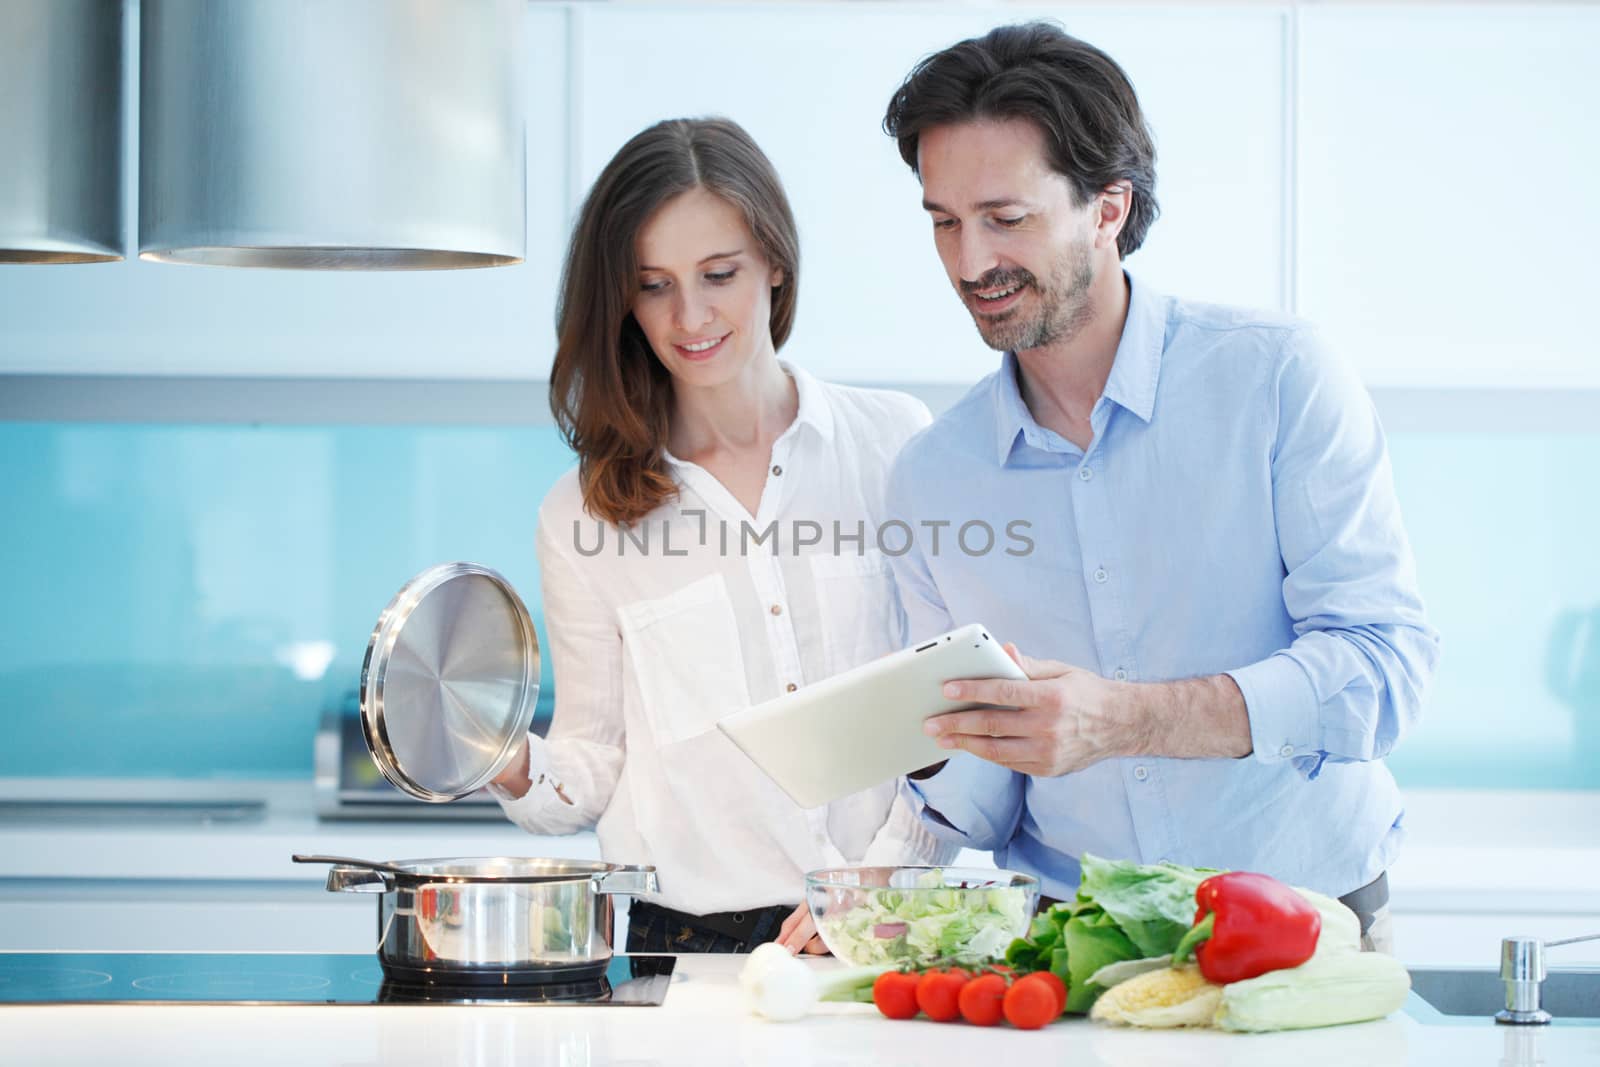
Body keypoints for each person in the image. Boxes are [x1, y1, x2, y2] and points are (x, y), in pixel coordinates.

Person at [877, 23, 1440, 952]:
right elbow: (981, 804)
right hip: (1079, 946)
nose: (969, 263)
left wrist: (1124, 720)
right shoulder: (934, 475)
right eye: (944, 221)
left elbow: (1383, 670)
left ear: (1108, 208)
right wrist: (937, 749)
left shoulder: (1276, 379)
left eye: (1005, 218)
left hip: (1308, 931)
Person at [488, 117, 951, 954]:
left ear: (775, 261)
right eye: (653, 283)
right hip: (688, 946)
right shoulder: (582, 513)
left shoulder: (894, 442)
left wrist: (888, 872)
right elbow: (591, 762)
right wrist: (498, 753)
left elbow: (950, 711)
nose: (689, 315)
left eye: (718, 274)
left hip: (894, 918)